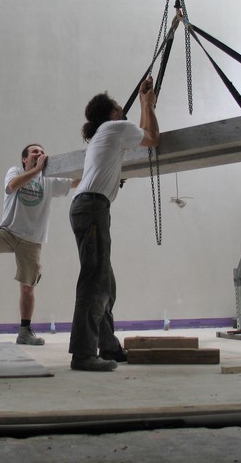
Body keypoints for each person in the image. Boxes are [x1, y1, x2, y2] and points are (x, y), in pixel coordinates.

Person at [68, 75, 160, 371]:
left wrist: (144, 102)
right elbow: (152, 138)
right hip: (93, 208)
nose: (123, 111)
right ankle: (83, 354)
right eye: (120, 108)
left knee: (105, 283)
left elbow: (142, 134)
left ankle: (108, 347)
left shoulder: (107, 132)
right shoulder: (115, 127)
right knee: (94, 283)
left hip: (89, 208)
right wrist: (148, 105)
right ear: (112, 113)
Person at [0, 144, 78, 346]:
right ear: (24, 159)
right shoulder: (15, 172)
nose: (40, 154)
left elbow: (74, 182)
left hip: (31, 241)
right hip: (8, 232)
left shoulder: (49, 180)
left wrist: (107, 175)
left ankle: (24, 332)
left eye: (42, 152)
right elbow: (12, 186)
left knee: (27, 288)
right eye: (35, 152)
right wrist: (36, 170)